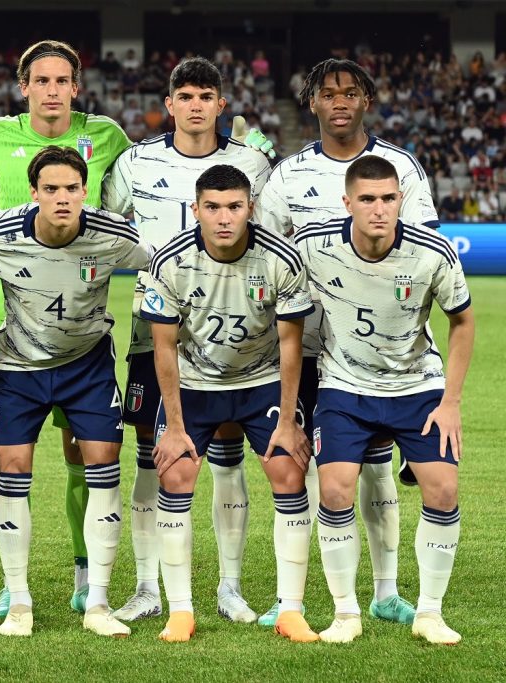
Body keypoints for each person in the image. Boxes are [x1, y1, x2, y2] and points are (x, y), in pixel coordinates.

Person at [254, 57, 439, 628]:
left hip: (378, 354)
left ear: (366, 101)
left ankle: (386, 591)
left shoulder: (400, 167)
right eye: (329, 93)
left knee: (376, 470)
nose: (340, 101)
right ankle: (292, 596)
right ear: (311, 101)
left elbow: (425, 255)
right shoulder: (288, 176)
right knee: (304, 470)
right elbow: (267, 253)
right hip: (307, 348)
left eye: (351, 92)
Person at [102, 56, 273, 624]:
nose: (195, 105)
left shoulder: (252, 162)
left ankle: (230, 587)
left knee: (227, 455)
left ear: (221, 104)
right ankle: (147, 587)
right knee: (154, 457)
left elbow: (271, 232)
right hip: (154, 331)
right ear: (168, 104)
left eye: (206, 96)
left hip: (234, 332)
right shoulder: (135, 162)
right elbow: (107, 226)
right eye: (185, 96)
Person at [0, 38, 132, 618]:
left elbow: (150, 185)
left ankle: (86, 572)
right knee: (10, 458)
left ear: (76, 86)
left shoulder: (108, 136)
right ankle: (10, 584)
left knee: (81, 453)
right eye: (41, 80)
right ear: (24, 87)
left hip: (81, 318)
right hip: (12, 321)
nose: (53, 90)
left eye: (63, 80)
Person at [293, 155, 474, 645]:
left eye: (389, 198)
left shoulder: (432, 252)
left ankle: (430, 613)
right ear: (347, 202)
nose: (380, 209)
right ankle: (345, 614)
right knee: (334, 492)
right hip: (344, 386)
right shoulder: (313, 246)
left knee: (443, 491)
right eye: (368, 199)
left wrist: (451, 402)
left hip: (417, 387)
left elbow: (462, 321)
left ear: (401, 200)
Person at [141, 164, 318, 643]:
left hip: (261, 381)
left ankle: (291, 610)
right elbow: (163, 348)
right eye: (213, 207)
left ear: (250, 208)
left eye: (235, 207)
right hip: (195, 383)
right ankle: (181, 611)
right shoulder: (170, 262)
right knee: (175, 472)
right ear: (195, 209)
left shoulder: (280, 258)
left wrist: (287, 420)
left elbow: (291, 343)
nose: (224, 218)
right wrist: (175, 426)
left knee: (289, 470)